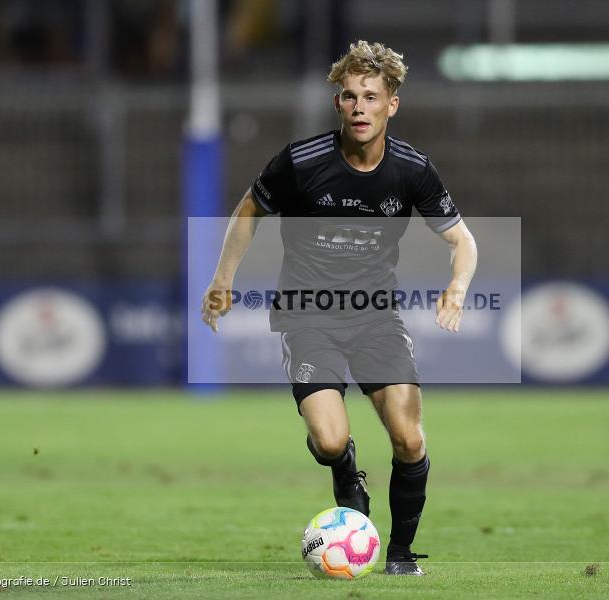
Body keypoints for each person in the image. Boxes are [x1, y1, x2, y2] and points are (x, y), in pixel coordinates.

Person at [201, 40, 477, 576]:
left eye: (371, 97)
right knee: (328, 440)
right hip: (307, 316)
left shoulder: (412, 169)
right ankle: (345, 466)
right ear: (337, 104)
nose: (359, 107)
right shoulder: (301, 162)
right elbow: (248, 211)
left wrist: (458, 288)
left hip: (376, 317)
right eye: (349, 96)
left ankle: (400, 554)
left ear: (391, 104)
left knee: (408, 436)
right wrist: (222, 280)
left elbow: (463, 241)